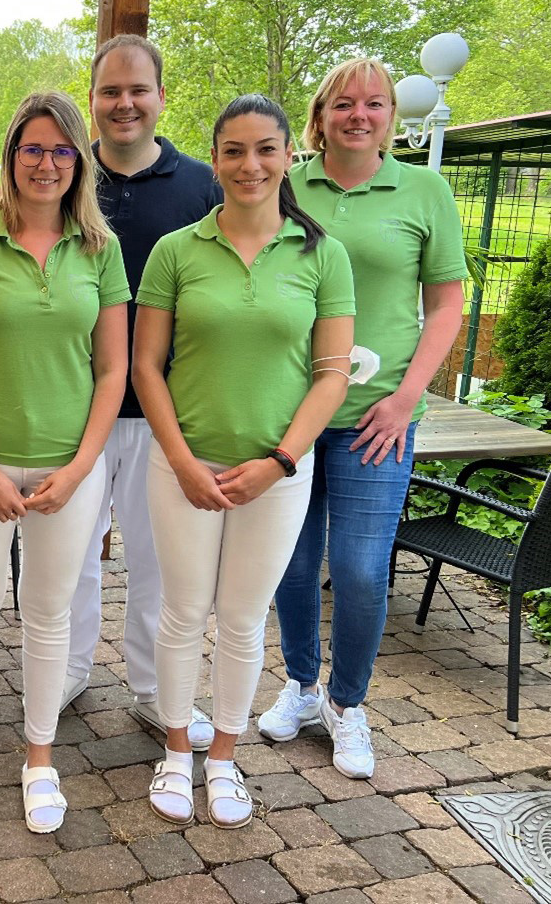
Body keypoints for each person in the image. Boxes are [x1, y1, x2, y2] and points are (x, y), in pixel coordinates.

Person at [134, 93, 355, 829]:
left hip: (277, 476)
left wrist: (280, 461)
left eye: (264, 148)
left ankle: (223, 757)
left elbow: (330, 373)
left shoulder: (321, 253)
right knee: (180, 612)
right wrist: (182, 460)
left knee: (240, 619)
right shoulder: (176, 250)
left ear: (289, 153)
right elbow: (145, 367)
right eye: (233, 150)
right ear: (216, 157)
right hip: (182, 468)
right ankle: (174, 750)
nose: (249, 164)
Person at [260, 58, 466, 779]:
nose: (358, 115)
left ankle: (347, 705)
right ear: (319, 116)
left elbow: (445, 306)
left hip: (376, 418)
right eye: (343, 103)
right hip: (288, 411)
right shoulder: (287, 185)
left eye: (373, 103)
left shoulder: (423, 190)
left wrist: (406, 397)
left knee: (356, 569)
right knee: (288, 562)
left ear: (390, 116)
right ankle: (299, 684)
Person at [0, 90, 128, 834]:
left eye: (60, 150)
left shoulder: (99, 251)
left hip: (67, 472)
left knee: (48, 616)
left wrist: (79, 470)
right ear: (11, 156)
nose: (45, 163)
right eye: (31, 149)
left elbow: (112, 372)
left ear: (79, 160)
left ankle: (38, 759)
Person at [63, 36, 223, 750]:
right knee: (68, 553)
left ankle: (154, 689)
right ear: (91, 99)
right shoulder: (61, 177)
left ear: (160, 96)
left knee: (159, 562)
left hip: (166, 412)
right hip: (74, 408)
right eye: (108, 91)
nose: (123, 103)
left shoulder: (202, 187)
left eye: (137, 90)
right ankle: (64, 670)